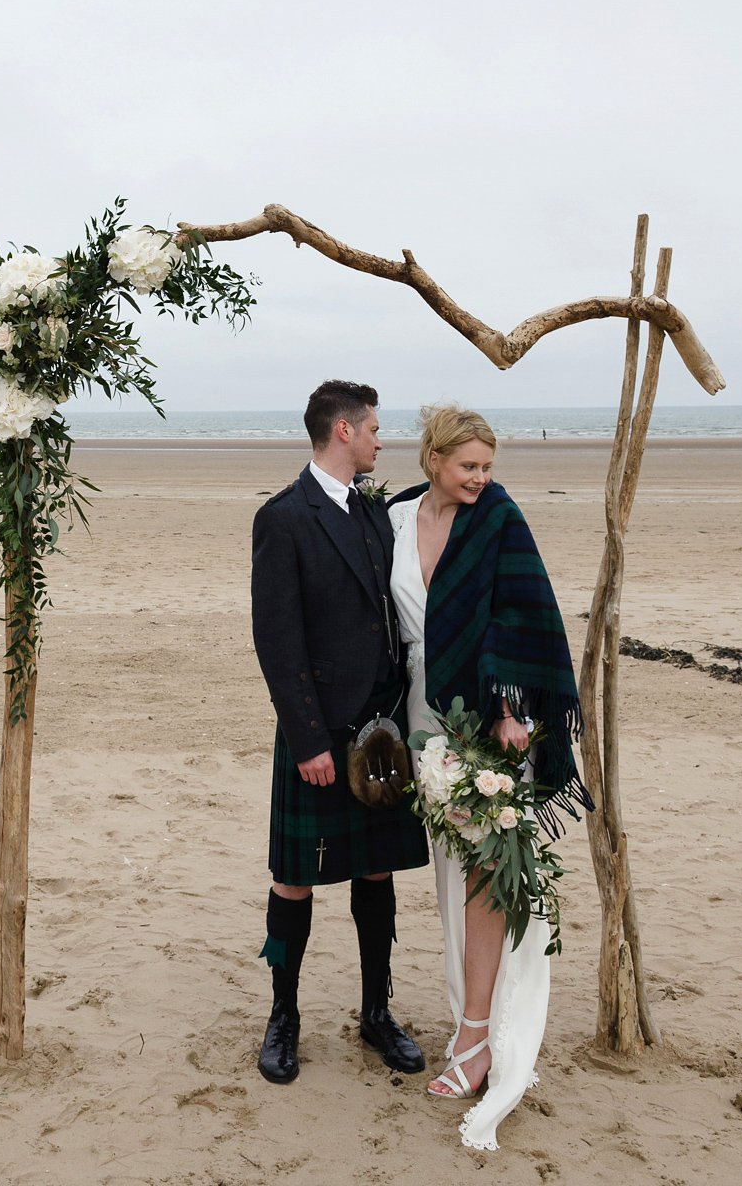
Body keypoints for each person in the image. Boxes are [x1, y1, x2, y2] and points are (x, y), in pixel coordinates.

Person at [387, 404, 588, 1151]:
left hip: (493, 722)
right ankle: (470, 1013)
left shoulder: (499, 519)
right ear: (434, 459)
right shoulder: (397, 519)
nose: (480, 478)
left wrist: (510, 707)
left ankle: (479, 1039)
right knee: (452, 876)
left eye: (487, 466)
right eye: (468, 466)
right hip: (422, 716)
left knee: (485, 872)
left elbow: (523, 615)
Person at [250, 380, 429, 1086]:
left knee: (376, 871)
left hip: (381, 731)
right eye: (376, 429)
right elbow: (277, 641)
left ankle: (376, 1014)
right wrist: (309, 741)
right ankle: (283, 1016)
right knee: (295, 878)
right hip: (322, 733)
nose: (383, 441)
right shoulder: (284, 518)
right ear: (344, 432)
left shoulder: (374, 512)